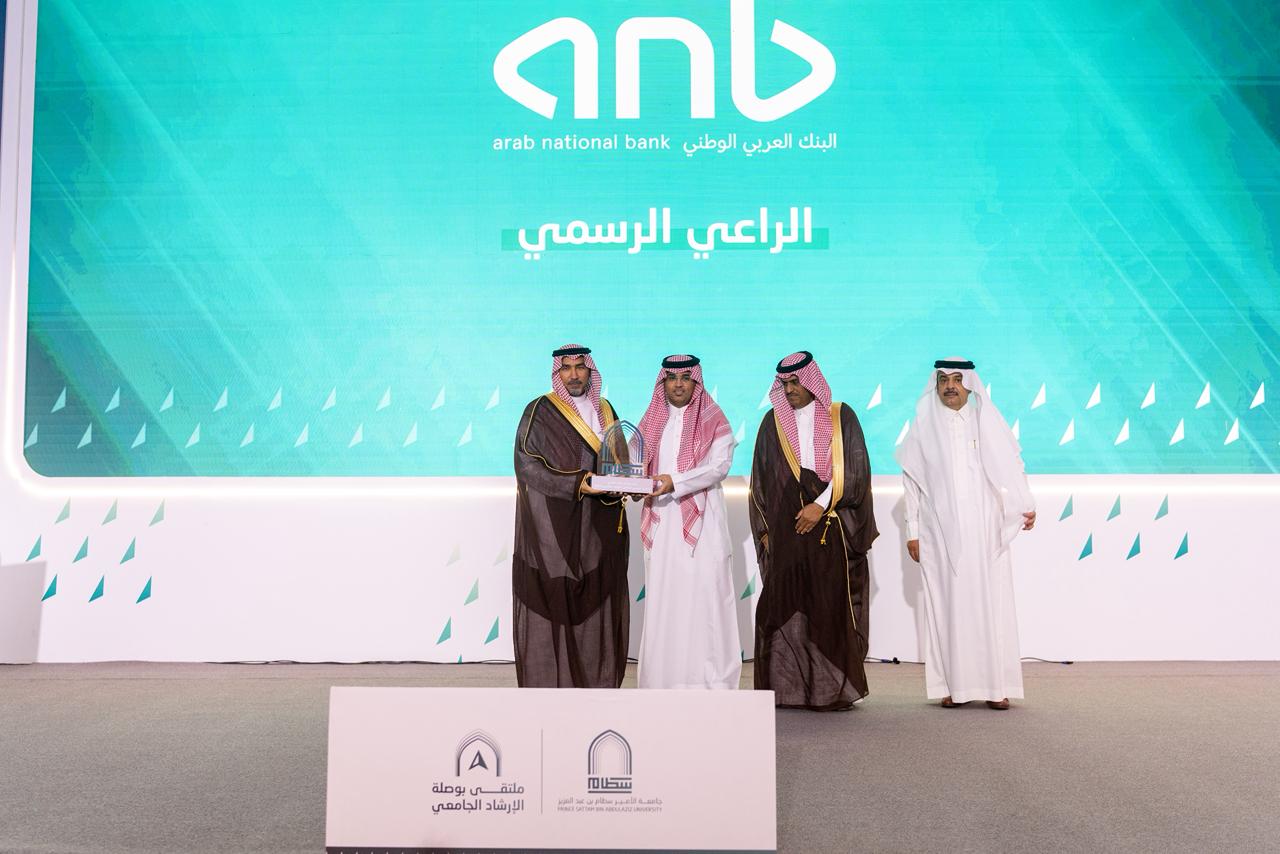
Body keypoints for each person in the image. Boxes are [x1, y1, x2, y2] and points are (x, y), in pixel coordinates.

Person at [897, 358, 1037, 710]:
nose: (950, 386)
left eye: (958, 379)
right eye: (944, 379)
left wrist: (1025, 504)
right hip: (938, 532)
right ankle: (954, 686)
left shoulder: (985, 420)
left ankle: (996, 687)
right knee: (947, 606)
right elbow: (911, 482)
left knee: (992, 605)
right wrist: (913, 531)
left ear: (970, 384)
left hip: (986, 530)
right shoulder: (923, 427)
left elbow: (1013, 464)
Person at [748, 351, 877, 710]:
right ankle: (785, 689)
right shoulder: (772, 422)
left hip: (829, 527)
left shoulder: (840, 416)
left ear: (811, 381)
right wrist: (768, 531)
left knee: (826, 607)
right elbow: (761, 480)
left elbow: (854, 470)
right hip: (787, 531)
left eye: (795, 382)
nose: (790, 390)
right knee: (782, 606)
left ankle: (830, 690)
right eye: (784, 384)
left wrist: (819, 506)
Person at [511, 344, 630, 688]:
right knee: (557, 604)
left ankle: (596, 685)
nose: (574, 375)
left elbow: (620, 460)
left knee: (599, 604)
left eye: (580, 367)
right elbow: (527, 465)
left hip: (599, 526)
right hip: (556, 528)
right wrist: (578, 483)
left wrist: (627, 482)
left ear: (590, 371)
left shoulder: (606, 409)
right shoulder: (540, 410)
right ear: (557, 373)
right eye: (567, 368)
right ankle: (554, 687)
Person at [635, 355, 739, 689]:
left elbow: (719, 467)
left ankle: (710, 684)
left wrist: (675, 482)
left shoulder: (713, 417)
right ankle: (662, 682)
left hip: (703, 525)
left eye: (685, 378)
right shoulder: (651, 420)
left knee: (706, 599)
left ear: (695, 381)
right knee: (666, 601)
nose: (678, 384)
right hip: (662, 523)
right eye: (671, 378)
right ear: (662, 382)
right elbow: (636, 465)